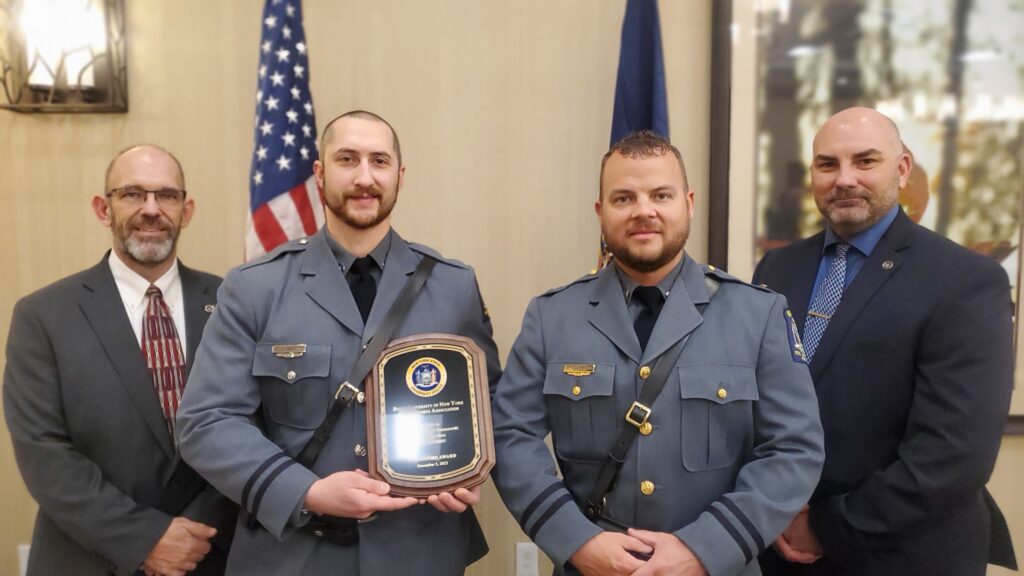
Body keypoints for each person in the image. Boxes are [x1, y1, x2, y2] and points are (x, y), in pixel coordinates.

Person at [176, 110, 501, 575]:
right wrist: (305, 491)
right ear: (320, 173)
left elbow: (487, 402)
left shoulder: (453, 285)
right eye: (347, 159)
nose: (364, 177)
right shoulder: (255, 288)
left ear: (400, 176)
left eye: (379, 161)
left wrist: (467, 467)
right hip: (292, 554)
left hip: (417, 552)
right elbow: (206, 421)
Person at [492, 130, 825, 576]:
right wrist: (576, 541)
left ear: (688, 203)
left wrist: (705, 549)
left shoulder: (757, 313)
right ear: (601, 212)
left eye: (661, 195)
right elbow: (510, 435)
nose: (643, 211)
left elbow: (794, 448)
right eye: (624, 198)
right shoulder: (552, 317)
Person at [754, 106, 1017, 575]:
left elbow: (953, 455)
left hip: (903, 554)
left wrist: (824, 528)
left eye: (866, 161)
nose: (844, 179)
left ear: (902, 168)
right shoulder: (777, 268)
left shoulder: (966, 280)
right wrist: (762, 509)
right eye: (828, 164)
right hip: (779, 545)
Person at [3, 144, 234, 576]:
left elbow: (257, 427)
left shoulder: (233, 303)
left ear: (186, 210)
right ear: (102, 208)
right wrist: (146, 539)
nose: (151, 209)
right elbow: (44, 453)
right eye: (132, 194)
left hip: (208, 554)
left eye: (166, 195)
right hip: (86, 558)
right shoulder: (44, 315)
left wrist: (196, 531)